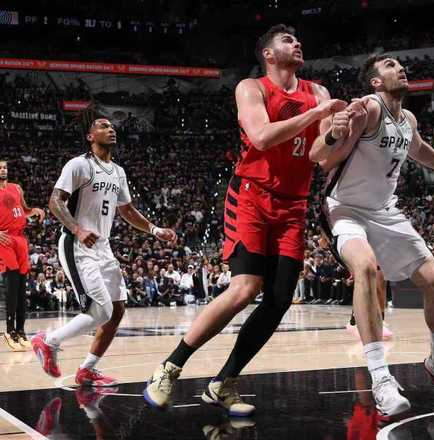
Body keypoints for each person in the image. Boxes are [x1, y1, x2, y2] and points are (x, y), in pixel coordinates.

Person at [144, 24, 347, 413]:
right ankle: (170, 367)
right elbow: (262, 137)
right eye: (287, 40)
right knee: (245, 288)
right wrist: (318, 114)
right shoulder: (251, 88)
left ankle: (224, 382)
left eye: (297, 38)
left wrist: (336, 133)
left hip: (293, 204)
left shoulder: (318, 92)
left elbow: (319, 155)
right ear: (268, 54)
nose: (297, 42)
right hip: (252, 196)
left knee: (280, 299)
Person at [310, 54, 434, 415]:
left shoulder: (408, 120)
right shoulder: (369, 109)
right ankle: (380, 378)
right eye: (389, 65)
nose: (400, 68)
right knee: (366, 269)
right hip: (345, 209)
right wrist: (334, 132)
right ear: (375, 82)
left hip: (385, 211)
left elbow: (419, 150)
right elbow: (318, 156)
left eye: (400, 64)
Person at [31, 118, 177, 386]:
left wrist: (155, 229)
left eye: (112, 127)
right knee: (100, 310)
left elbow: (127, 210)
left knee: (117, 308)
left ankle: (87, 369)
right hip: (77, 244)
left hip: (103, 246)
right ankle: (48, 341)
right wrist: (77, 229)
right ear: (90, 136)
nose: (111, 129)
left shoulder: (118, 172)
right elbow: (55, 201)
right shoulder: (79, 164)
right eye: (102, 126)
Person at [0, 159, 46, 350]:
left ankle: (20, 331)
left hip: (20, 239)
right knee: (12, 286)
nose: (3, 170)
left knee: (21, 286)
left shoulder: (16, 188)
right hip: (5, 239)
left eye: (4, 167)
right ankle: (9, 331)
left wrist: (34, 211)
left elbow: (24, 210)